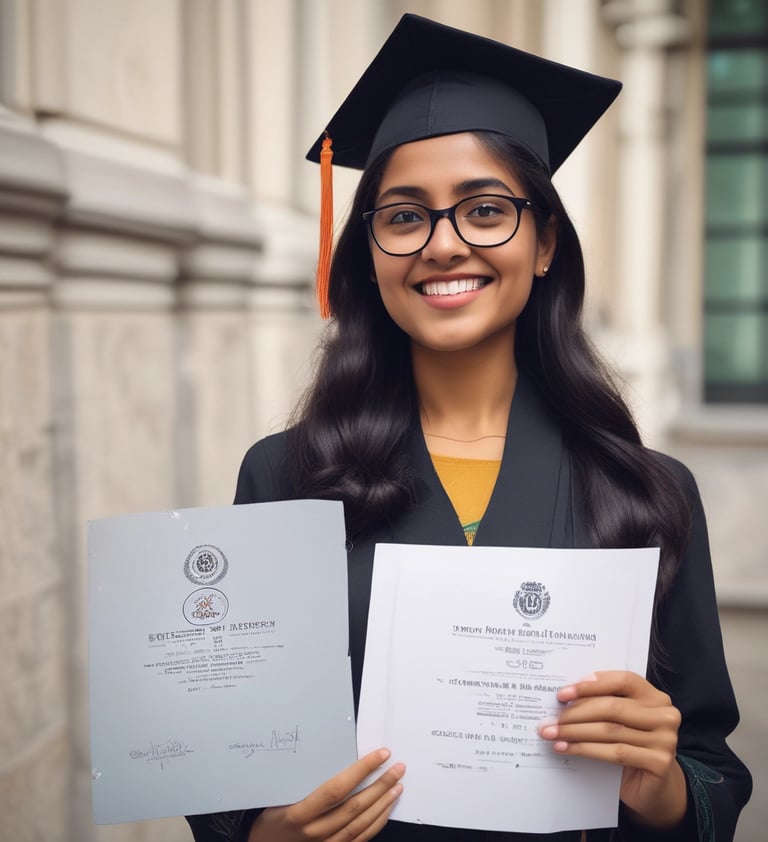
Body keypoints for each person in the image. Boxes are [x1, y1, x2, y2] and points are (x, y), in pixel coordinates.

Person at [186, 13, 751, 842]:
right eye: (405, 216)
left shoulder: (649, 491)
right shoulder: (284, 477)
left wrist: (660, 784)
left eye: (485, 209)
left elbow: (713, 774)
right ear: (370, 253)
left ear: (546, 240)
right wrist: (262, 835)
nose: (444, 246)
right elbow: (229, 759)